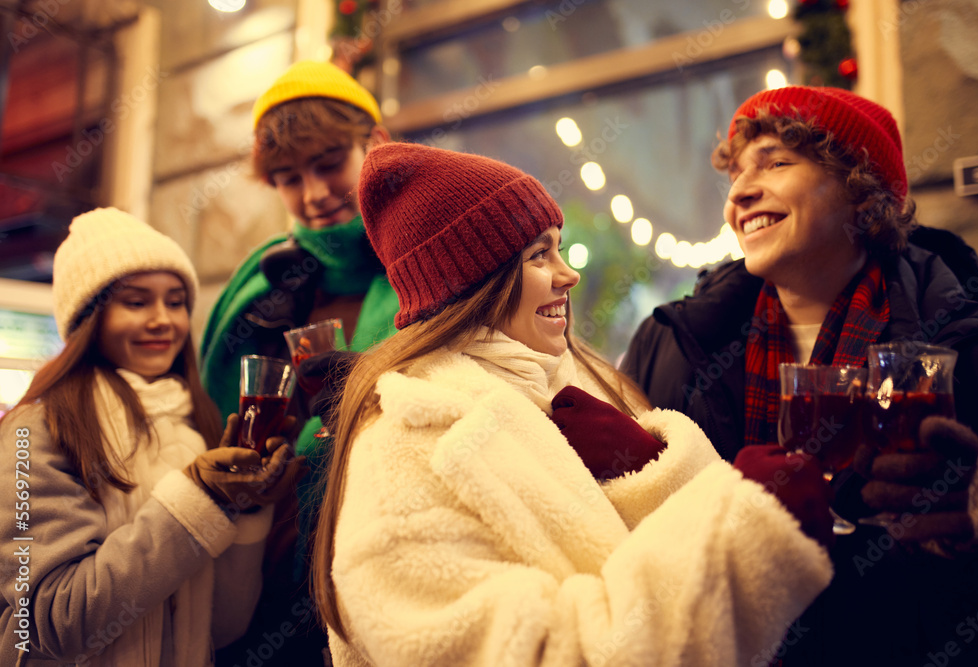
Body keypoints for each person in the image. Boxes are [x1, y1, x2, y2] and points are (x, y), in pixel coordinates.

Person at [309, 142, 836, 666]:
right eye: (540, 253)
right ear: (475, 281)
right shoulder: (406, 448)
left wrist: (650, 467)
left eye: (559, 248)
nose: (568, 274)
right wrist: (739, 541)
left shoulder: (568, 379)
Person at [622, 86, 978, 666]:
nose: (742, 193)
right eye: (737, 176)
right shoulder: (671, 341)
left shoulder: (971, 338)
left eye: (776, 163)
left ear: (861, 191)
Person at [0, 207, 303, 666]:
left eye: (176, 300)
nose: (164, 320)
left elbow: (222, 628)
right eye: (137, 302)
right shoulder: (34, 431)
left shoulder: (193, 427)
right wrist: (196, 498)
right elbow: (48, 625)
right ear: (89, 319)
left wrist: (247, 506)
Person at [200, 59, 399, 665]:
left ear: (375, 146)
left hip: (384, 538)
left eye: (328, 163)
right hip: (267, 555)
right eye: (288, 177)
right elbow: (219, 416)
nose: (312, 194)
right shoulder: (263, 286)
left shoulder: (419, 264)